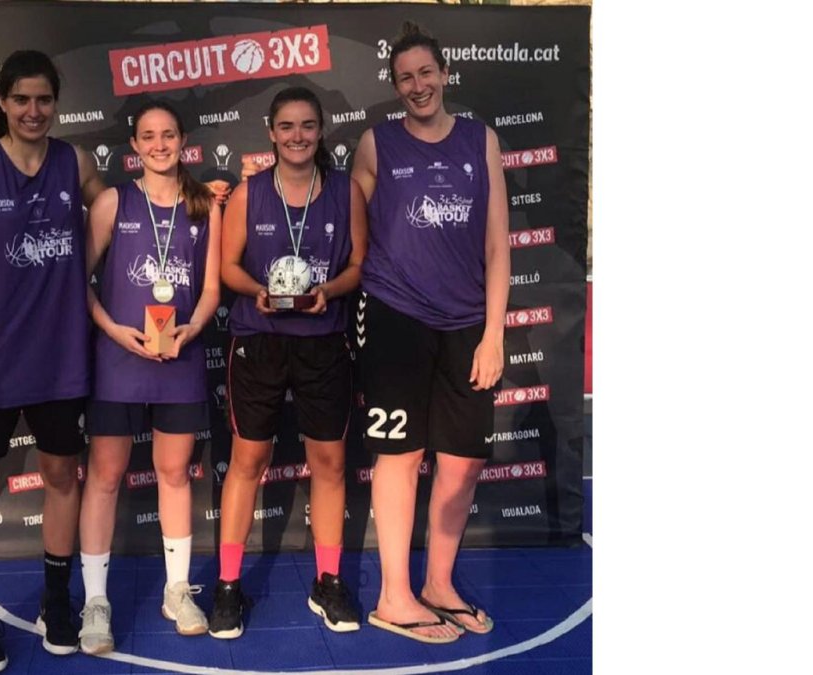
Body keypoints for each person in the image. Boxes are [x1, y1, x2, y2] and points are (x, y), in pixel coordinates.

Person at [0, 49, 106, 674]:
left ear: (55, 103)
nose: (34, 111)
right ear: (4, 103)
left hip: (60, 355)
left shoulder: (74, 161)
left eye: (44, 99)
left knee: (64, 479)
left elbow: (118, 209)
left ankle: (55, 604)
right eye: (22, 99)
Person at [350, 23, 510, 644]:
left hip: (468, 324)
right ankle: (395, 596)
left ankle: (439, 585)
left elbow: (498, 245)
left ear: (445, 75)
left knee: (463, 461)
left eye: (426, 73)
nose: (417, 86)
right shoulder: (377, 144)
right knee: (401, 456)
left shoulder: (481, 140)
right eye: (405, 78)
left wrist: (493, 333)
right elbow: (338, 209)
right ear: (395, 88)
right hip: (395, 315)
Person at [208, 87, 368, 639]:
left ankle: (328, 580)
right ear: (270, 132)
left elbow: (357, 264)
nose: (297, 136)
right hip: (260, 339)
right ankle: (228, 585)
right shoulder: (249, 193)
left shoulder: (344, 191)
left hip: (323, 339)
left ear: (320, 131)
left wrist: (329, 290)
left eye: (307, 126)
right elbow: (228, 266)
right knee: (248, 460)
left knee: (328, 462)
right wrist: (256, 290)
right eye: (287, 126)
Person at [75, 101, 222, 654]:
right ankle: (95, 602)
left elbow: (209, 288)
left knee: (174, 472)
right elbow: (78, 281)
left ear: (184, 139)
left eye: (168, 135)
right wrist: (113, 329)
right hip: (118, 360)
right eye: (147, 136)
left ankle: (177, 590)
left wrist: (193, 328)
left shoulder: (205, 205)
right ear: (133, 146)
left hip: (179, 357)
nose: (159, 144)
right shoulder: (114, 202)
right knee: (105, 476)